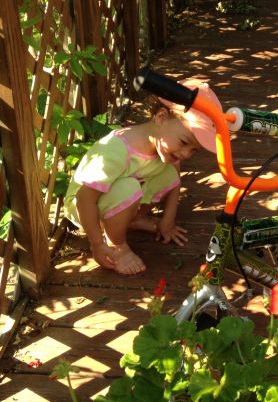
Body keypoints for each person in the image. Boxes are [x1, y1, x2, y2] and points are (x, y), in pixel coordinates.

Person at [64, 80, 222, 275]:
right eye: (183, 142)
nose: (185, 154)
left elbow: (175, 181)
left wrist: (168, 220)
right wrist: (97, 244)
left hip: (115, 197)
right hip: (85, 208)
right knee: (129, 188)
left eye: (193, 150)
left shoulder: (165, 147)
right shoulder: (117, 150)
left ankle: (130, 220)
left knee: (168, 173)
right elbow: (84, 198)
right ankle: (117, 245)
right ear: (161, 117)